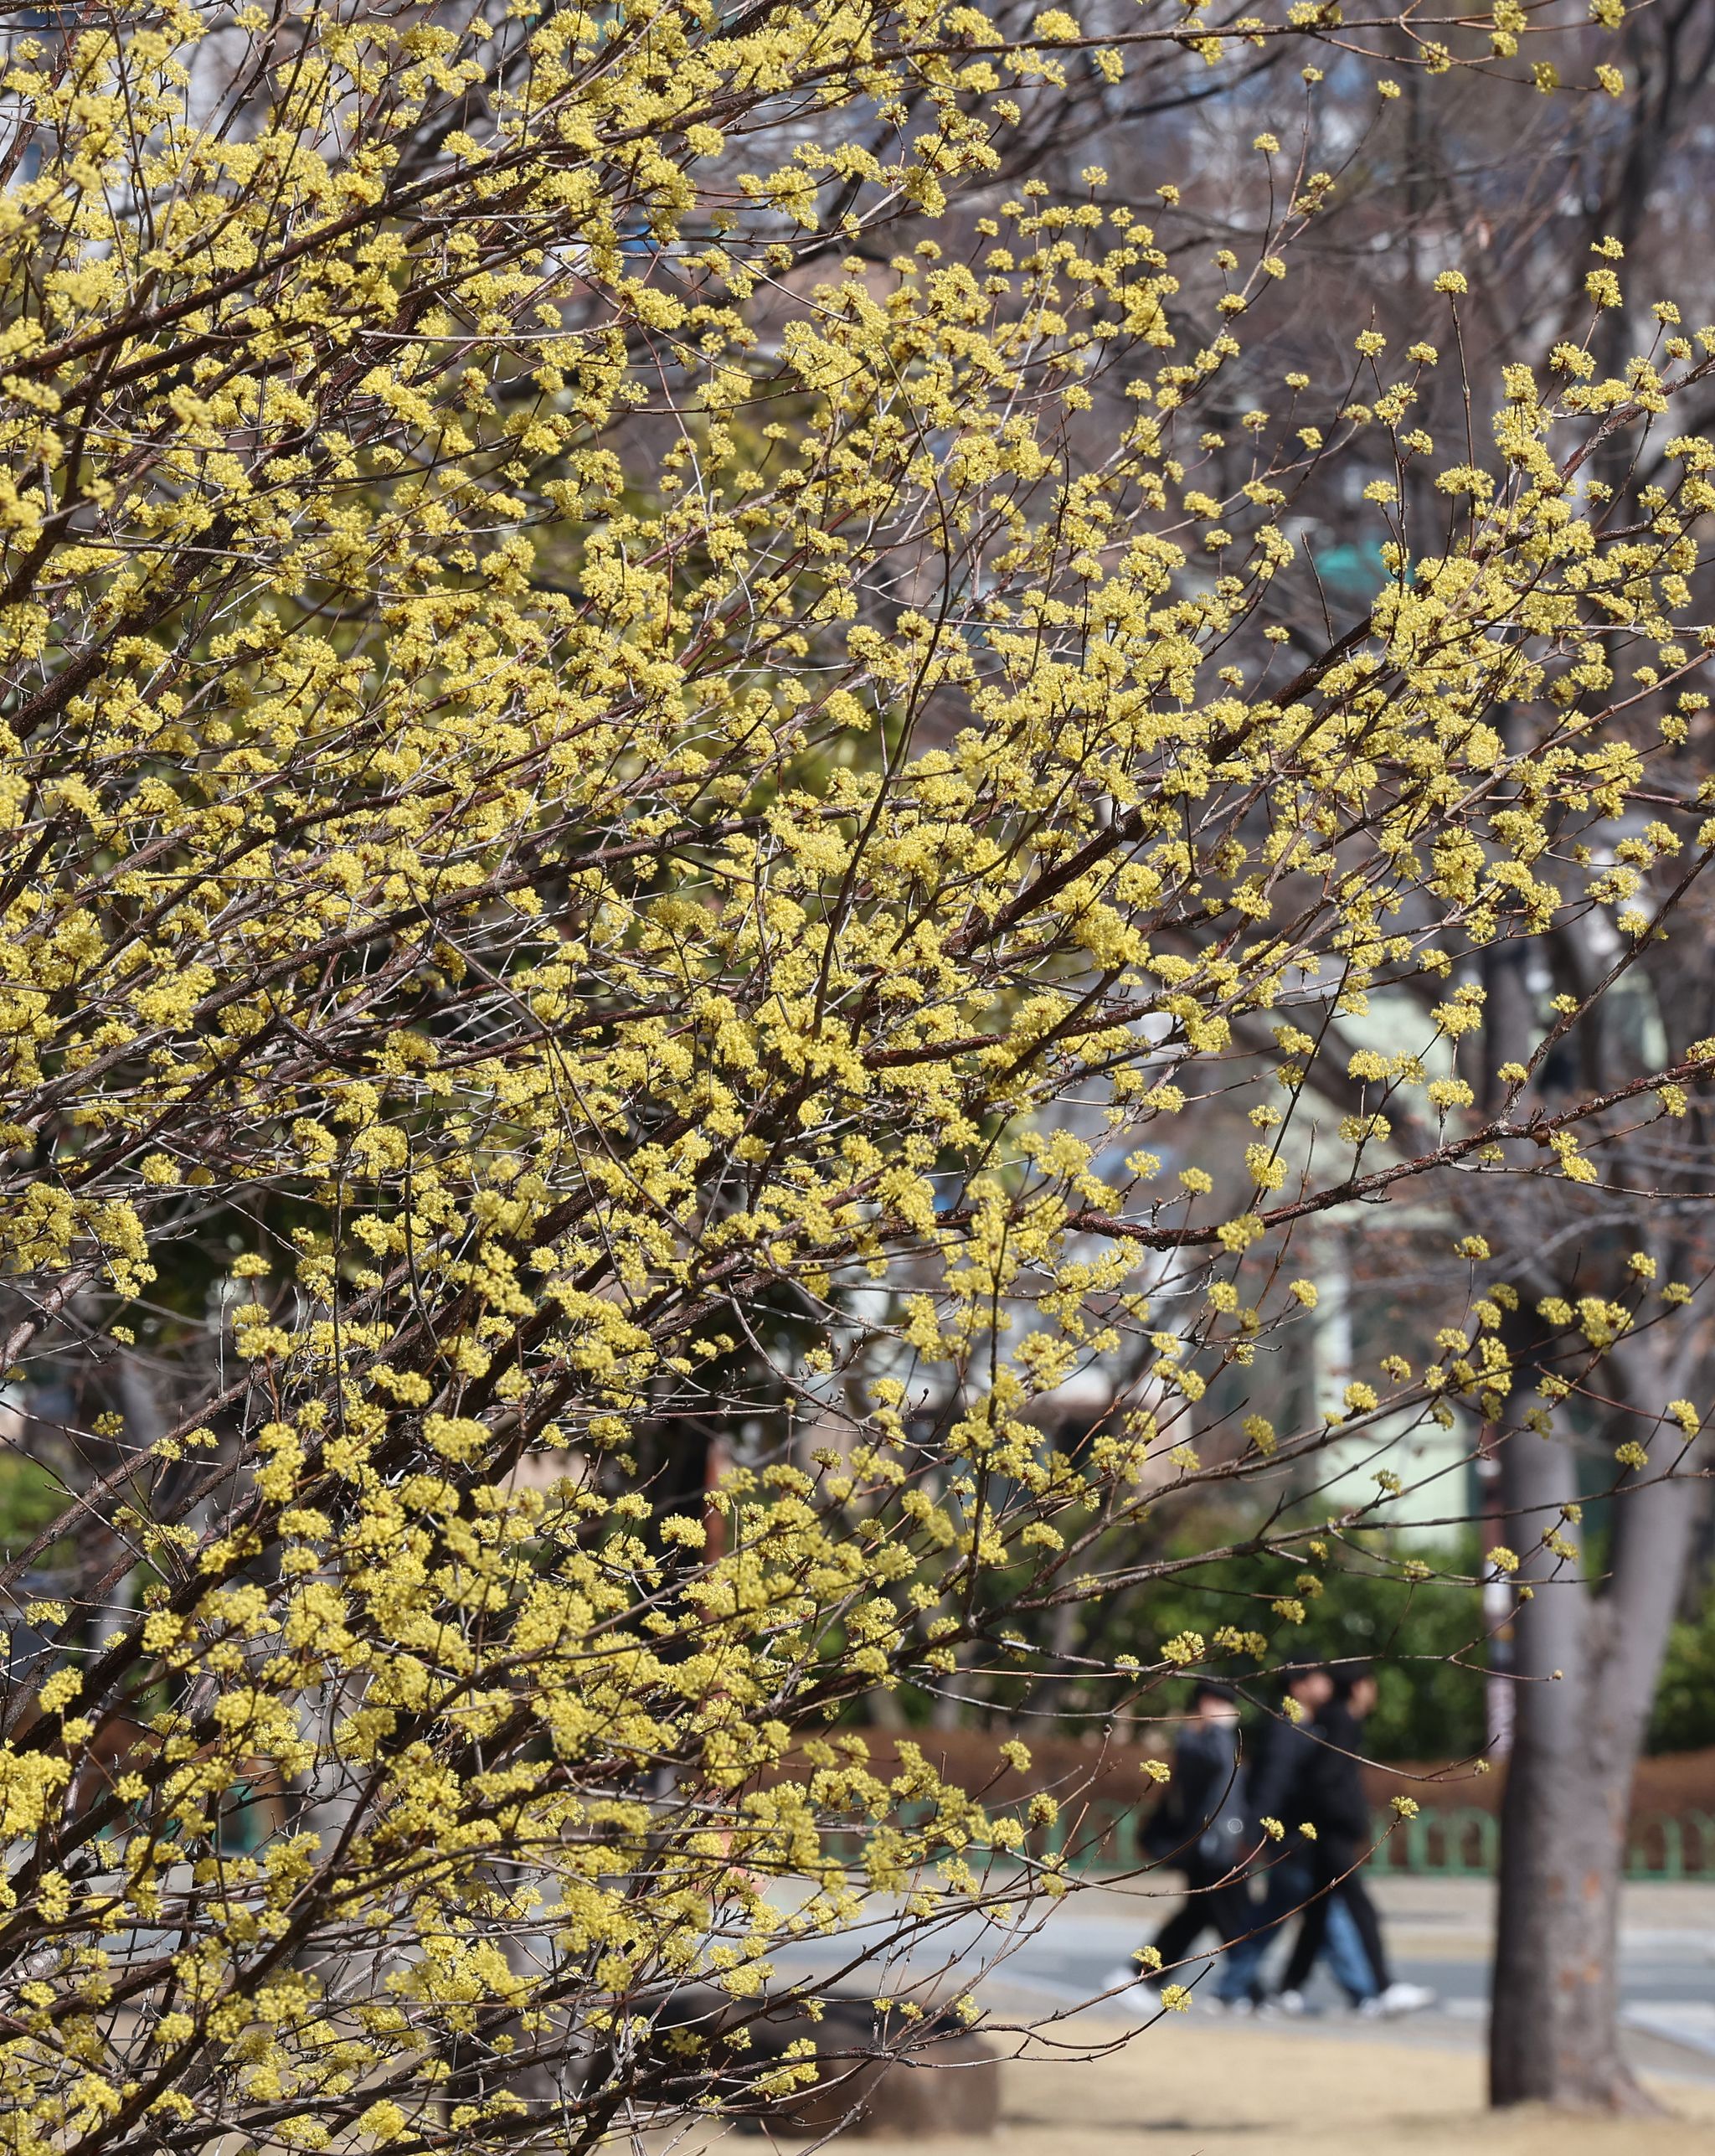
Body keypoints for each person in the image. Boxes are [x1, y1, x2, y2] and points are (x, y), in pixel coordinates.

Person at [1271, 1663, 1435, 2017]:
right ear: (1359, 1687)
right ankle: (1385, 1987)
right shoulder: (1342, 1722)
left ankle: (1289, 1987)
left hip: (1325, 1832)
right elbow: (1328, 1779)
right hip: (1330, 1835)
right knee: (1362, 1909)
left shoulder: (1334, 1720)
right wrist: (1347, 1818)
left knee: (1318, 1915)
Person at [1110, 1679, 1252, 2004]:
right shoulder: (1194, 1742)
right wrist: (1219, 1729)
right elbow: (1216, 1765)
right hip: (1209, 1848)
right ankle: (1243, 1989)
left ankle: (1139, 1976)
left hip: (1224, 1845)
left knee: (1199, 1917)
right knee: (1234, 1918)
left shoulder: (1216, 1740)